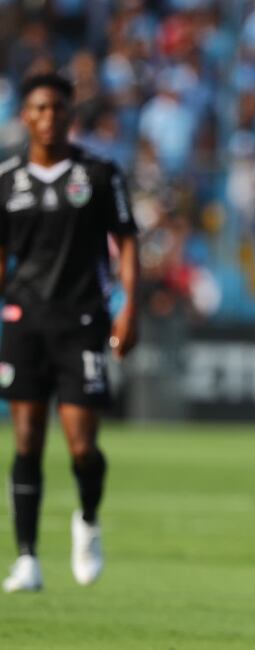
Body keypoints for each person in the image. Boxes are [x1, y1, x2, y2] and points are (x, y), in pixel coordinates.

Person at [0, 73, 139, 592]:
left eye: (57, 108)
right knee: (26, 438)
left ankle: (87, 520)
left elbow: (127, 240)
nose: (48, 117)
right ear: (25, 116)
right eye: (39, 108)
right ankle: (27, 558)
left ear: (70, 115)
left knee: (82, 445)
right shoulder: (6, 179)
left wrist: (130, 308)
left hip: (82, 320)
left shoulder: (99, 173)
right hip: (24, 320)